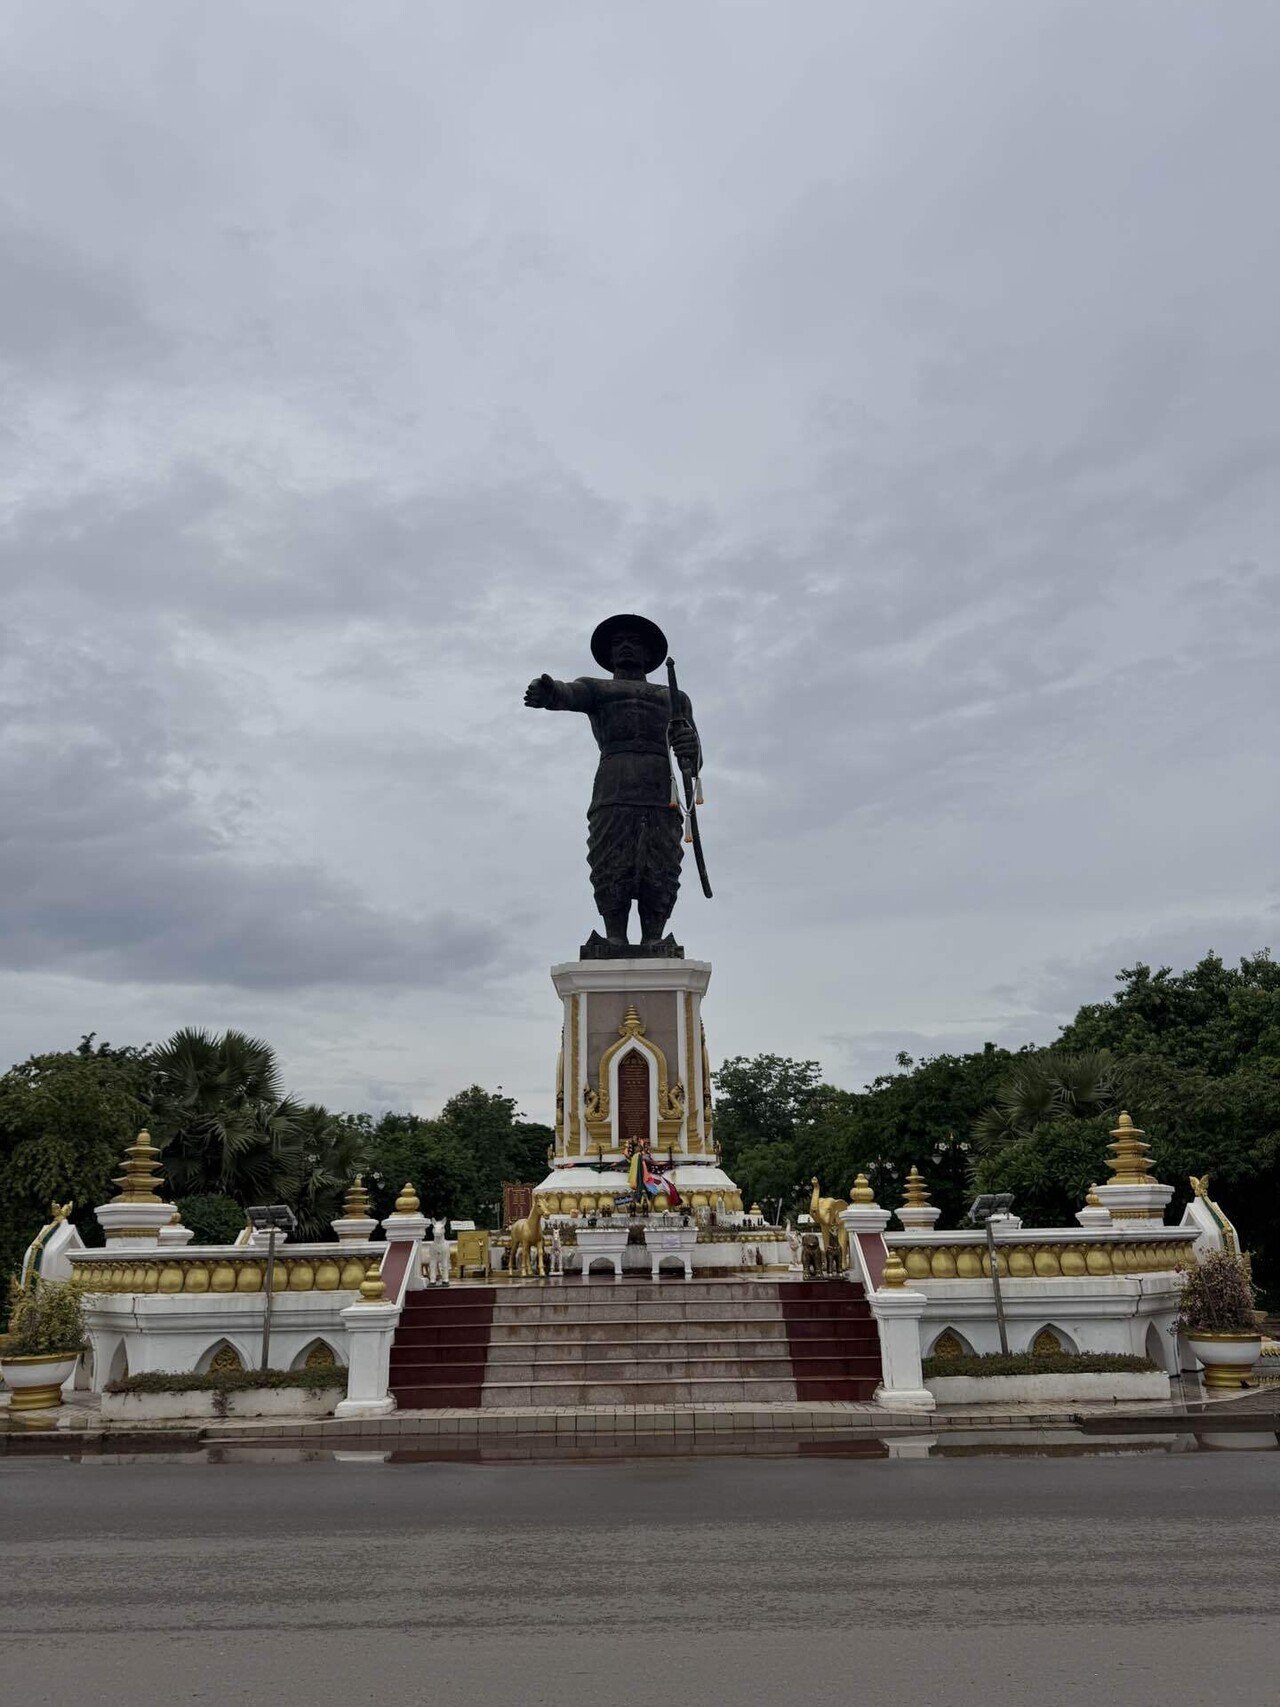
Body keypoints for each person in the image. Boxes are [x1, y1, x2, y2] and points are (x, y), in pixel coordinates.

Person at [524, 614, 702, 948]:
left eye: (633, 642)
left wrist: (690, 750)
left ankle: (654, 936)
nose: (625, 647)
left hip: (660, 788)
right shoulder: (598, 689)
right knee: (611, 857)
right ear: (609, 653)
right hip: (614, 783)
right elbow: (567, 693)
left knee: (661, 860)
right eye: (618, 642)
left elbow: (692, 756)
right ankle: (614, 935)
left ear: (649, 653)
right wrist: (548, 691)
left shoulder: (674, 697)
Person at [425, 1217, 451, 1286]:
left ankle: (445, 1279)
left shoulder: (446, 1245)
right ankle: (432, 1279)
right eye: (435, 1228)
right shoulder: (432, 1246)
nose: (437, 1230)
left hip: (444, 1248)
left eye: (441, 1228)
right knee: (432, 1264)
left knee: (445, 1263)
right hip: (434, 1247)